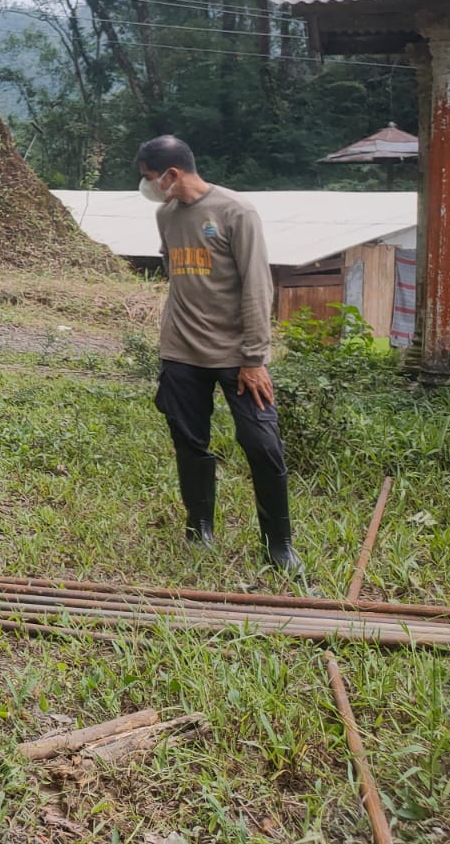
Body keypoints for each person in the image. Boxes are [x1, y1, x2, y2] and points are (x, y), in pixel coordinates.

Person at [138, 134, 301, 573]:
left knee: (262, 444)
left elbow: (257, 285)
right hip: (181, 351)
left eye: (149, 177)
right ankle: (199, 530)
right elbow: (177, 276)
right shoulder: (165, 214)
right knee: (189, 442)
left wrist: (254, 358)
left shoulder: (235, 212)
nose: (147, 186)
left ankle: (279, 546)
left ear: (172, 174)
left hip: (237, 355)